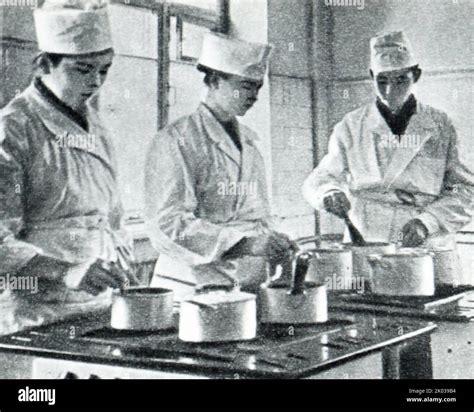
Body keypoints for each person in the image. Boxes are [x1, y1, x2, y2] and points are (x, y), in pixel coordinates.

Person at [0, 0, 139, 334]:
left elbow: (111, 219)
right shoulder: (14, 128)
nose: (95, 82)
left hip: (96, 308)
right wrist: (67, 271)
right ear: (45, 64)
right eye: (83, 69)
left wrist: (123, 266)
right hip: (33, 315)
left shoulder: (97, 129)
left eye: (104, 70)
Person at [302, 31, 473, 284]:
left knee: (435, 312)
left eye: (401, 80)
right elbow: (319, 179)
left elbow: (465, 190)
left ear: (416, 75)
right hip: (368, 238)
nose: (390, 90)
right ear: (372, 77)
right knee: (369, 313)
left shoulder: (440, 124)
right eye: (382, 81)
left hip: (426, 240)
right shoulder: (351, 126)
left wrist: (427, 222)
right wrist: (328, 193)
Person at [145, 33, 296, 301]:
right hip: (191, 283)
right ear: (214, 81)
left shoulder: (249, 143)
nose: (254, 96)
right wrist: (246, 244)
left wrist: (273, 240)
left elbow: (257, 213)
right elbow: (168, 225)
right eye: (246, 86)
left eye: (258, 87)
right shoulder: (176, 139)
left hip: (243, 282)